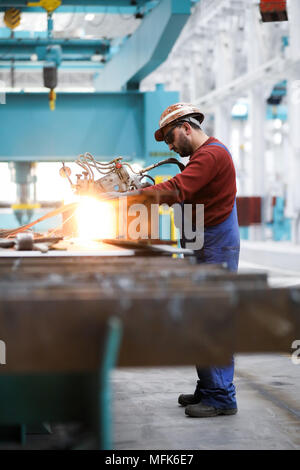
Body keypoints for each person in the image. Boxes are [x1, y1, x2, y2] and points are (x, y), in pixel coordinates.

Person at [142, 102, 240, 418]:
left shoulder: (212, 155)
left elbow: (180, 189)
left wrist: (130, 198)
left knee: (212, 318)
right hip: (204, 241)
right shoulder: (201, 158)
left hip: (215, 245)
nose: (170, 146)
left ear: (187, 127)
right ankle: (210, 387)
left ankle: (222, 397)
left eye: (171, 138)